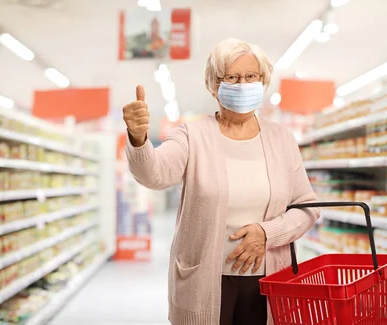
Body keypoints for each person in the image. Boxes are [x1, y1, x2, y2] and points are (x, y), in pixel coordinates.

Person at [123, 38, 320, 325]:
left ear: (262, 81)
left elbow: (307, 207)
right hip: (204, 281)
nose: (242, 84)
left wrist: (268, 233)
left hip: (268, 281)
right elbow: (154, 174)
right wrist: (139, 139)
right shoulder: (192, 135)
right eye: (232, 77)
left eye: (251, 76)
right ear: (214, 85)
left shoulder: (282, 139)